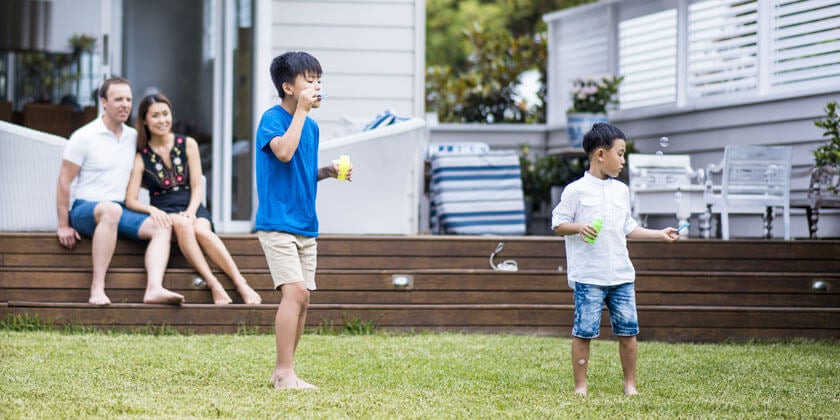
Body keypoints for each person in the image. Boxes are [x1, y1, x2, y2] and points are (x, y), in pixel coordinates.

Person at [551, 123, 680, 396]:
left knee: (628, 332)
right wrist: (579, 227)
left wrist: (659, 234)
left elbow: (628, 227)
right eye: (620, 154)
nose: (623, 161)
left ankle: (630, 385)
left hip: (621, 275)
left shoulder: (621, 191)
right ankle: (580, 387)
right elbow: (558, 223)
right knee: (584, 332)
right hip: (589, 275)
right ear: (600, 154)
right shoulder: (575, 191)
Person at [255, 51, 350, 390]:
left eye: (319, 80)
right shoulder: (273, 118)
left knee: (304, 297)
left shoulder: (310, 126)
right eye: (309, 81)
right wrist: (302, 111)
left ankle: (286, 370)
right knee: (294, 293)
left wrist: (327, 172)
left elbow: (300, 170)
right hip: (277, 222)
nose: (317, 86)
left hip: (305, 223)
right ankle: (283, 374)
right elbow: (282, 151)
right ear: (288, 87)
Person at [56, 77, 184, 305]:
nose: (125, 104)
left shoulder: (134, 138)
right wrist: (63, 225)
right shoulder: (84, 136)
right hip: (85, 209)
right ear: (104, 102)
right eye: (118, 99)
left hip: (120, 210)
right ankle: (97, 288)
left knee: (163, 225)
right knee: (111, 210)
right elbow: (64, 181)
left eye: (128, 99)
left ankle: (154, 288)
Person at [125, 93, 262, 305]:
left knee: (200, 229)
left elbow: (198, 185)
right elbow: (130, 200)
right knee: (181, 223)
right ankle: (214, 285)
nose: (162, 120)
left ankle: (240, 283)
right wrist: (152, 211)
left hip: (194, 205)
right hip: (165, 210)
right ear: (145, 120)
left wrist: (191, 210)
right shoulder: (141, 157)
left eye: (165, 114)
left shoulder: (188, 144)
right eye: (155, 116)